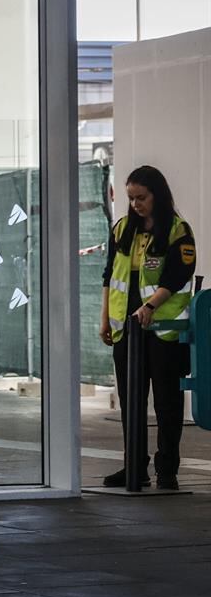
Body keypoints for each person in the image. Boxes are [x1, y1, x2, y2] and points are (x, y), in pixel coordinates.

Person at [100, 165, 195, 491]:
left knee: (167, 401)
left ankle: (167, 469)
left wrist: (151, 306)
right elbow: (110, 276)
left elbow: (177, 276)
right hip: (127, 328)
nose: (137, 204)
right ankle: (135, 467)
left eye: (142, 197)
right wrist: (104, 319)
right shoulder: (123, 228)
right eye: (131, 198)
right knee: (131, 400)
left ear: (158, 195)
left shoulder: (178, 230)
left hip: (164, 328)